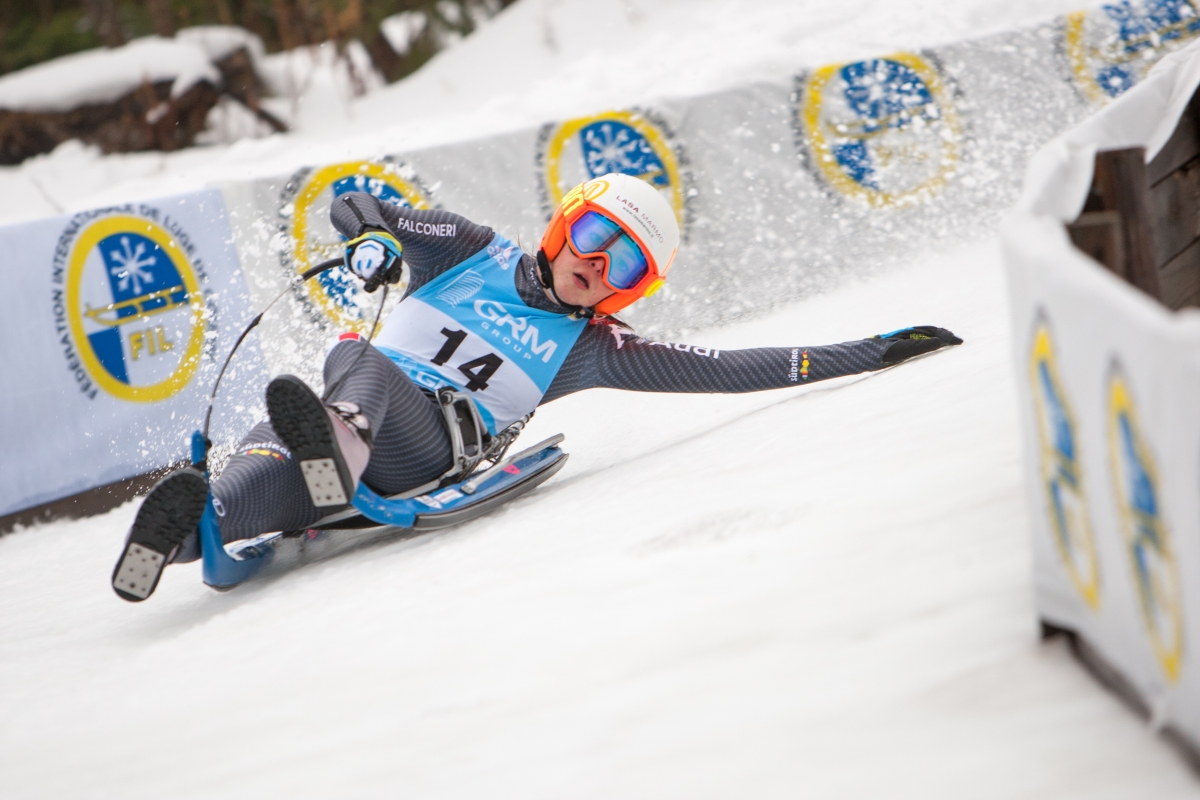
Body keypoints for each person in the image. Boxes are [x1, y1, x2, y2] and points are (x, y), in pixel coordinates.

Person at [112, 172, 962, 601]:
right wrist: (372, 245)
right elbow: (359, 203)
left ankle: (328, 450)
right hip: (343, 420)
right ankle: (182, 540)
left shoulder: (595, 349)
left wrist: (865, 351)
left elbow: (736, 371)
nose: (595, 265)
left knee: (352, 363)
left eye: (622, 263)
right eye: (594, 237)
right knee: (248, 481)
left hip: (426, 446)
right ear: (565, 222)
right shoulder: (468, 249)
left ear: (629, 290)